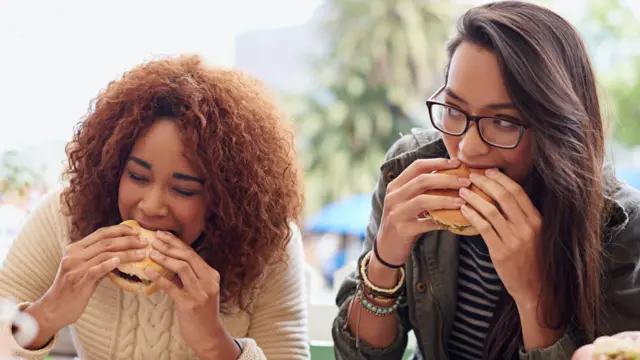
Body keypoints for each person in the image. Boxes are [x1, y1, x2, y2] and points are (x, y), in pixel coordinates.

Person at [331, 1, 640, 359]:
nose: (466, 148)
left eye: (504, 122)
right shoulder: (411, 169)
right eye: (454, 109)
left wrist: (532, 295)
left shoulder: (621, 227)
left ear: (557, 131)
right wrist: (384, 262)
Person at [0, 55, 309, 360]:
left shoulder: (270, 245)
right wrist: (48, 313)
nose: (151, 206)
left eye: (184, 189)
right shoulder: (65, 215)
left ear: (227, 198)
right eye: (136, 176)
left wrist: (214, 342)